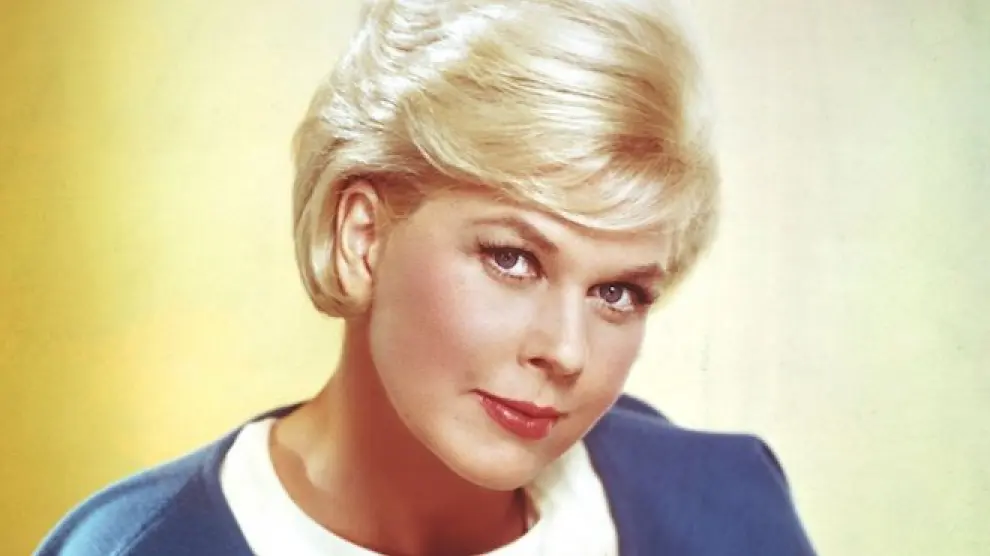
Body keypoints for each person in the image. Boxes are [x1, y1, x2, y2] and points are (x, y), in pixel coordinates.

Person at [36, 0, 816, 554]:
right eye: (512, 258)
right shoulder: (137, 546)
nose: (566, 352)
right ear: (363, 239)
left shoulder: (728, 510)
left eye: (618, 293)